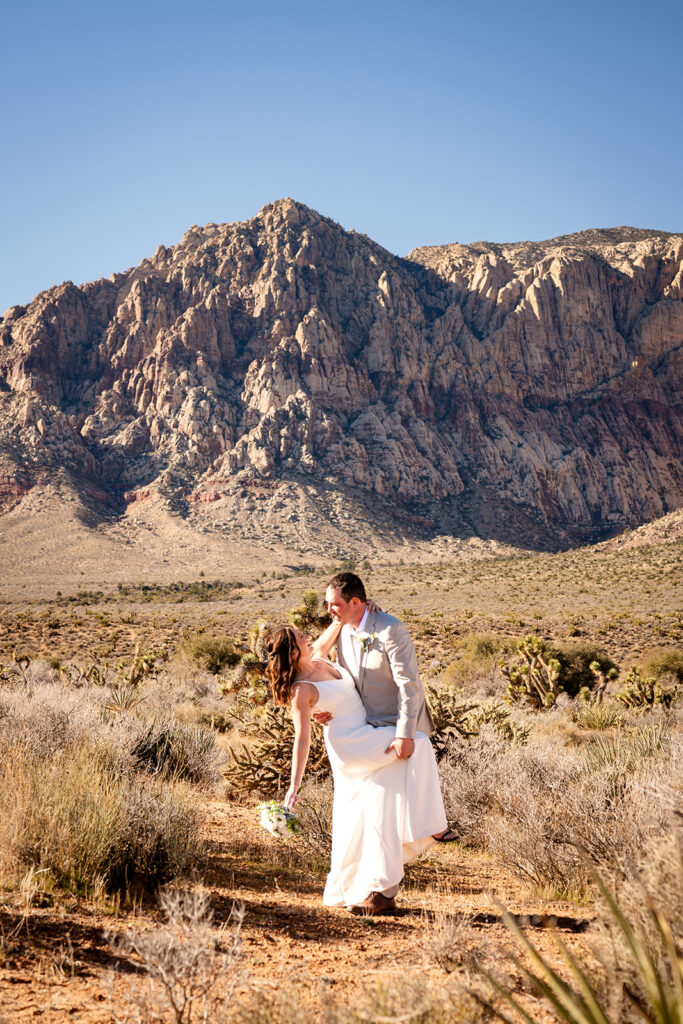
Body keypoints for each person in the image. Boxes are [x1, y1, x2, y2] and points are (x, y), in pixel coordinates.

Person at [264, 588, 454, 917]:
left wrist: (363, 608)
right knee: (417, 743)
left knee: (372, 807)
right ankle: (432, 825)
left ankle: (365, 885)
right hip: (350, 744)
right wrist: (294, 786)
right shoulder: (301, 691)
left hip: (366, 733)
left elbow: (340, 621)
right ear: (293, 652)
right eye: (300, 636)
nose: (307, 635)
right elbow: (302, 739)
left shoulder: (318, 655)